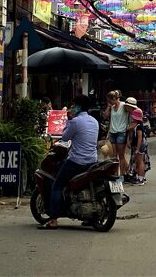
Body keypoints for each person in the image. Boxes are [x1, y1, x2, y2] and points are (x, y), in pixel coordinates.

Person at [40, 94, 98, 230]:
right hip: (92, 161)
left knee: (57, 185)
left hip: (77, 161)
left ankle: (53, 219)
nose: (72, 107)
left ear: (78, 106)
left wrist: (68, 120)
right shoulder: (94, 121)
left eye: (73, 105)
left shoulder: (76, 121)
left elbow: (65, 137)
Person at [103, 91, 139, 180]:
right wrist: (108, 107)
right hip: (112, 132)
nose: (109, 102)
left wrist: (130, 130)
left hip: (121, 132)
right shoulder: (111, 107)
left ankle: (122, 175)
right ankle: (116, 174)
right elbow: (105, 116)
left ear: (114, 98)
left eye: (110, 101)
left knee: (121, 155)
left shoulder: (123, 106)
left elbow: (133, 111)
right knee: (114, 156)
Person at [127, 106, 149, 185]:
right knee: (138, 161)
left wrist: (138, 148)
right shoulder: (136, 126)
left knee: (140, 162)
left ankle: (141, 178)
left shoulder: (139, 127)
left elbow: (140, 138)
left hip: (139, 145)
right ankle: (139, 177)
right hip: (137, 145)